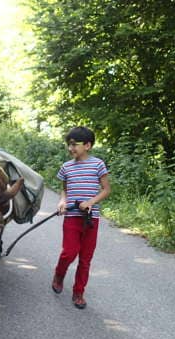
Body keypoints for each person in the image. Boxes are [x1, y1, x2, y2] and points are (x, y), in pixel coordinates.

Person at [52, 126, 111, 309]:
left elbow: (107, 190)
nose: (70, 149)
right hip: (71, 217)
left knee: (85, 258)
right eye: (68, 145)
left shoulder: (98, 164)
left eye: (73, 145)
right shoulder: (66, 167)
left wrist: (91, 201)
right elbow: (65, 189)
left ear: (87, 145)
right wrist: (63, 201)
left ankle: (79, 292)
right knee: (69, 252)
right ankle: (59, 274)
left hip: (90, 219)